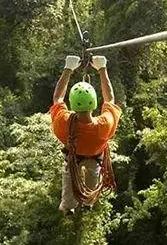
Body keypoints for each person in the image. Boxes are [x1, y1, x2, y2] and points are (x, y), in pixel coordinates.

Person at [50, 55, 121, 214]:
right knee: (92, 183)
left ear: (72, 104)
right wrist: (102, 69)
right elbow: (110, 99)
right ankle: (88, 203)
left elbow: (57, 98)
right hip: (95, 158)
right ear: (94, 103)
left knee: (69, 182)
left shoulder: (64, 123)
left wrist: (68, 69)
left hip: (73, 158)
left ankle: (68, 207)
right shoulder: (104, 125)